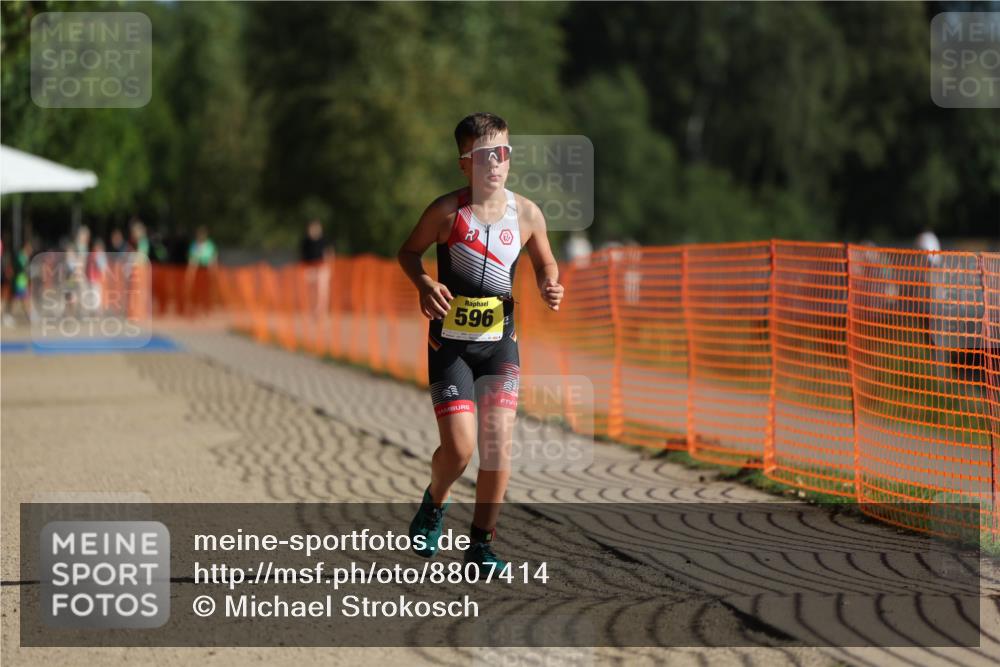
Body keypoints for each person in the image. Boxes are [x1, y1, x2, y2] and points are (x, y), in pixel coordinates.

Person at [396, 112, 564, 569]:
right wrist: (424, 283)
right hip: (450, 346)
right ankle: (435, 501)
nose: (496, 162)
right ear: (464, 163)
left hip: (499, 345)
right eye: (485, 155)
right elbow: (408, 252)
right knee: (460, 449)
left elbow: (545, 261)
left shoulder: (526, 213)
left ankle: (481, 545)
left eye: (504, 153)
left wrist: (549, 283)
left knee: (497, 445)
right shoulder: (446, 212)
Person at [300, 219, 334, 315]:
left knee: (322, 289)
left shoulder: (324, 240)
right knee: (312, 290)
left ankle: (322, 310)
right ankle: (313, 309)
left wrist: (330, 265)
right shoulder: (306, 242)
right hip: (310, 267)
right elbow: (302, 256)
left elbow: (329, 253)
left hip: (322, 267)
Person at [185, 226, 218, 314]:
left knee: (206, 289)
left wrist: (213, 270)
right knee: (196, 289)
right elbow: (192, 260)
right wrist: (190, 272)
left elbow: (213, 258)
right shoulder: (194, 245)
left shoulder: (210, 245)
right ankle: (195, 307)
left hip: (206, 269)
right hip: (197, 269)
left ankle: (206, 307)